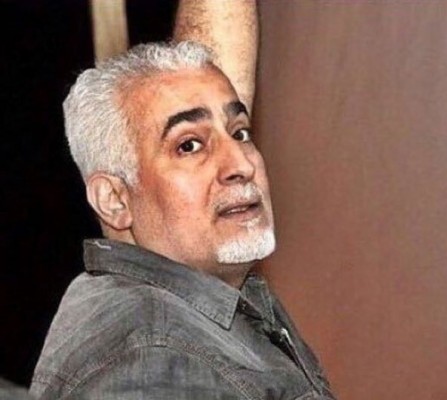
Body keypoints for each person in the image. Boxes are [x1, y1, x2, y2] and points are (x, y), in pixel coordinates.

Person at [28, 37, 335, 400]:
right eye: (189, 145)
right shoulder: (152, 358)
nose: (241, 164)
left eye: (240, 133)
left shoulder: (194, 314)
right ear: (114, 200)